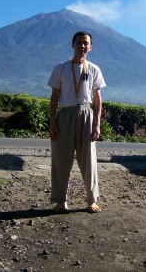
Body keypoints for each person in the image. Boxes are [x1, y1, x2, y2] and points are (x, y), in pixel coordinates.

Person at [47, 31, 106, 213]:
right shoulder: (61, 68)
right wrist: (52, 122)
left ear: (90, 47)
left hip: (86, 115)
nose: (82, 46)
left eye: (85, 43)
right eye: (79, 42)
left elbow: (97, 99)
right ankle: (60, 201)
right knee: (61, 159)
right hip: (64, 115)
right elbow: (54, 96)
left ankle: (91, 200)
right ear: (72, 44)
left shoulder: (94, 69)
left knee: (89, 160)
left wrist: (97, 123)